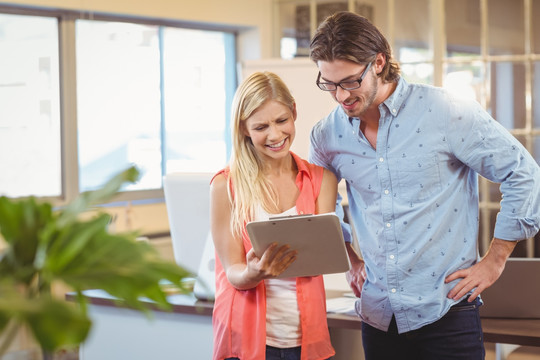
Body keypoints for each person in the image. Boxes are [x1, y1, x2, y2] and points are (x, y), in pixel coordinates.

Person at [308, 11, 540, 360]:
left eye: (350, 81)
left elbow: (523, 173)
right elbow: (318, 207)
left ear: (379, 62)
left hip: (447, 311)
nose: (341, 96)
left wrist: (495, 259)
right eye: (329, 83)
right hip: (378, 316)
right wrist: (350, 259)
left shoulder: (445, 112)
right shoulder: (327, 135)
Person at [209, 71, 338, 360]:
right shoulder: (225, 186)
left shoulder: (321, 180)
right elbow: (233, 272)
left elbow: (320, 259)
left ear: (294, 111)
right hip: (245, 339)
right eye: (261, 127)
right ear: (244, 129)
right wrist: (253, 273)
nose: (275, 135)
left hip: (307, 338)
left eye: (282, 121)